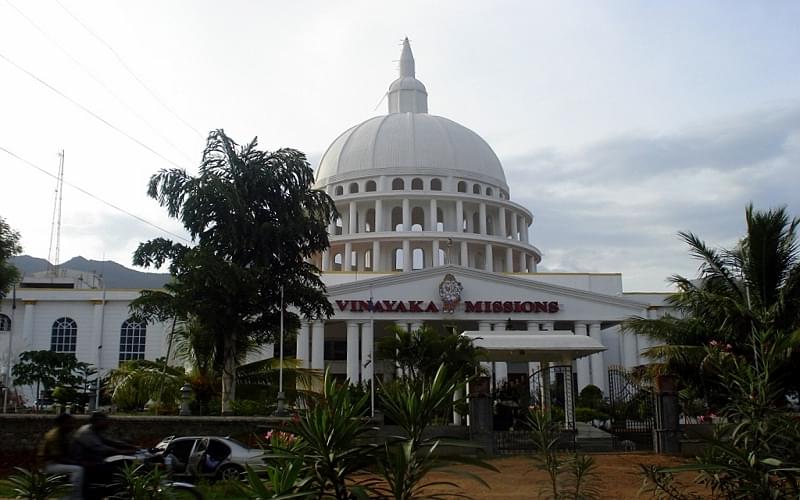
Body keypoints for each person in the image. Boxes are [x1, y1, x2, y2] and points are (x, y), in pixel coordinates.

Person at [70, 412, 137, 499]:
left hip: (92, 460)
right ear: (97, 421)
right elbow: (102, 448)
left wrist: (131, 446)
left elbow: (109, 441)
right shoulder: (86, 432)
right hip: (84, 463)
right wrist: (124, 452)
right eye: (105, 421)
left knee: (119, 464)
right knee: (116, 470)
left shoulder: (93, 430)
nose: (107, 423)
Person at [37, 413, 84, 500]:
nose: (72, 426)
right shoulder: (54, 436)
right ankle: (74, 497)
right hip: (48, 465)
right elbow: (57, 457)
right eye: (69, 423)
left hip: (56, 462)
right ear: (61, 424)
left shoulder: (63, 434)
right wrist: (77, 462)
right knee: (78, 470)